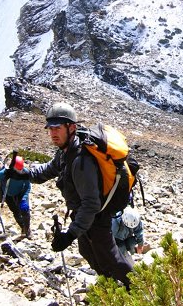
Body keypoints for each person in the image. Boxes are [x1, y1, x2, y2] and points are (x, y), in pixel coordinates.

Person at [22, 102, 133, 289]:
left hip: (96, 217)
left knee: (111, 256)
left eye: (57, 128)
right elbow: (49, 169)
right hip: (83, 216)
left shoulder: (81, 160)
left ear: (71, 127)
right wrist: (24, 174)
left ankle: (142, 289)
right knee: (88, 251)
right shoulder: (66, 152)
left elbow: (91, 204)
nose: (53, 133)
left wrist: (70, 234)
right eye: (50, 128)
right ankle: (111, 288)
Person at [0, 156, 31, 239]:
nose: (19, 172)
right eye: (17, 170)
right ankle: (23, 228)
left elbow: (28, 186)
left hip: (20, 193)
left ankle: (27, 230)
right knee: (16, 212)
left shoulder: (25, 172)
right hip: (8, 194)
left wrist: (24, 199)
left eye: (20, 169)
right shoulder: (4, 173)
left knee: (25, 211)